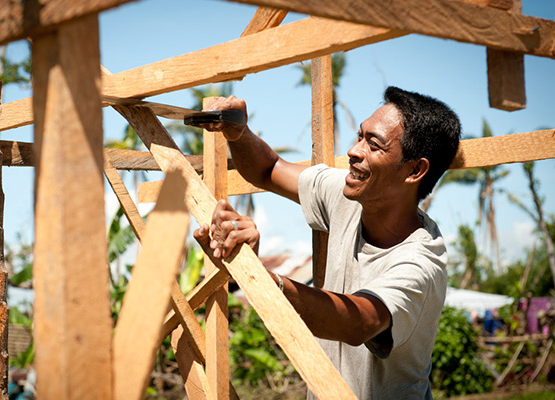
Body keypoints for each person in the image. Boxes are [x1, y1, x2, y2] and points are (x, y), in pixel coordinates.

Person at [193, 87, 461, 399]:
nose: (354, 150)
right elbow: (269, 170)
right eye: (360, 136)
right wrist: (239, 134)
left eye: (373, 144)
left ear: (415, 170)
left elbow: (359, 322)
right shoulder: (349, 194)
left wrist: (261, 279)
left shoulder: (421, 261)